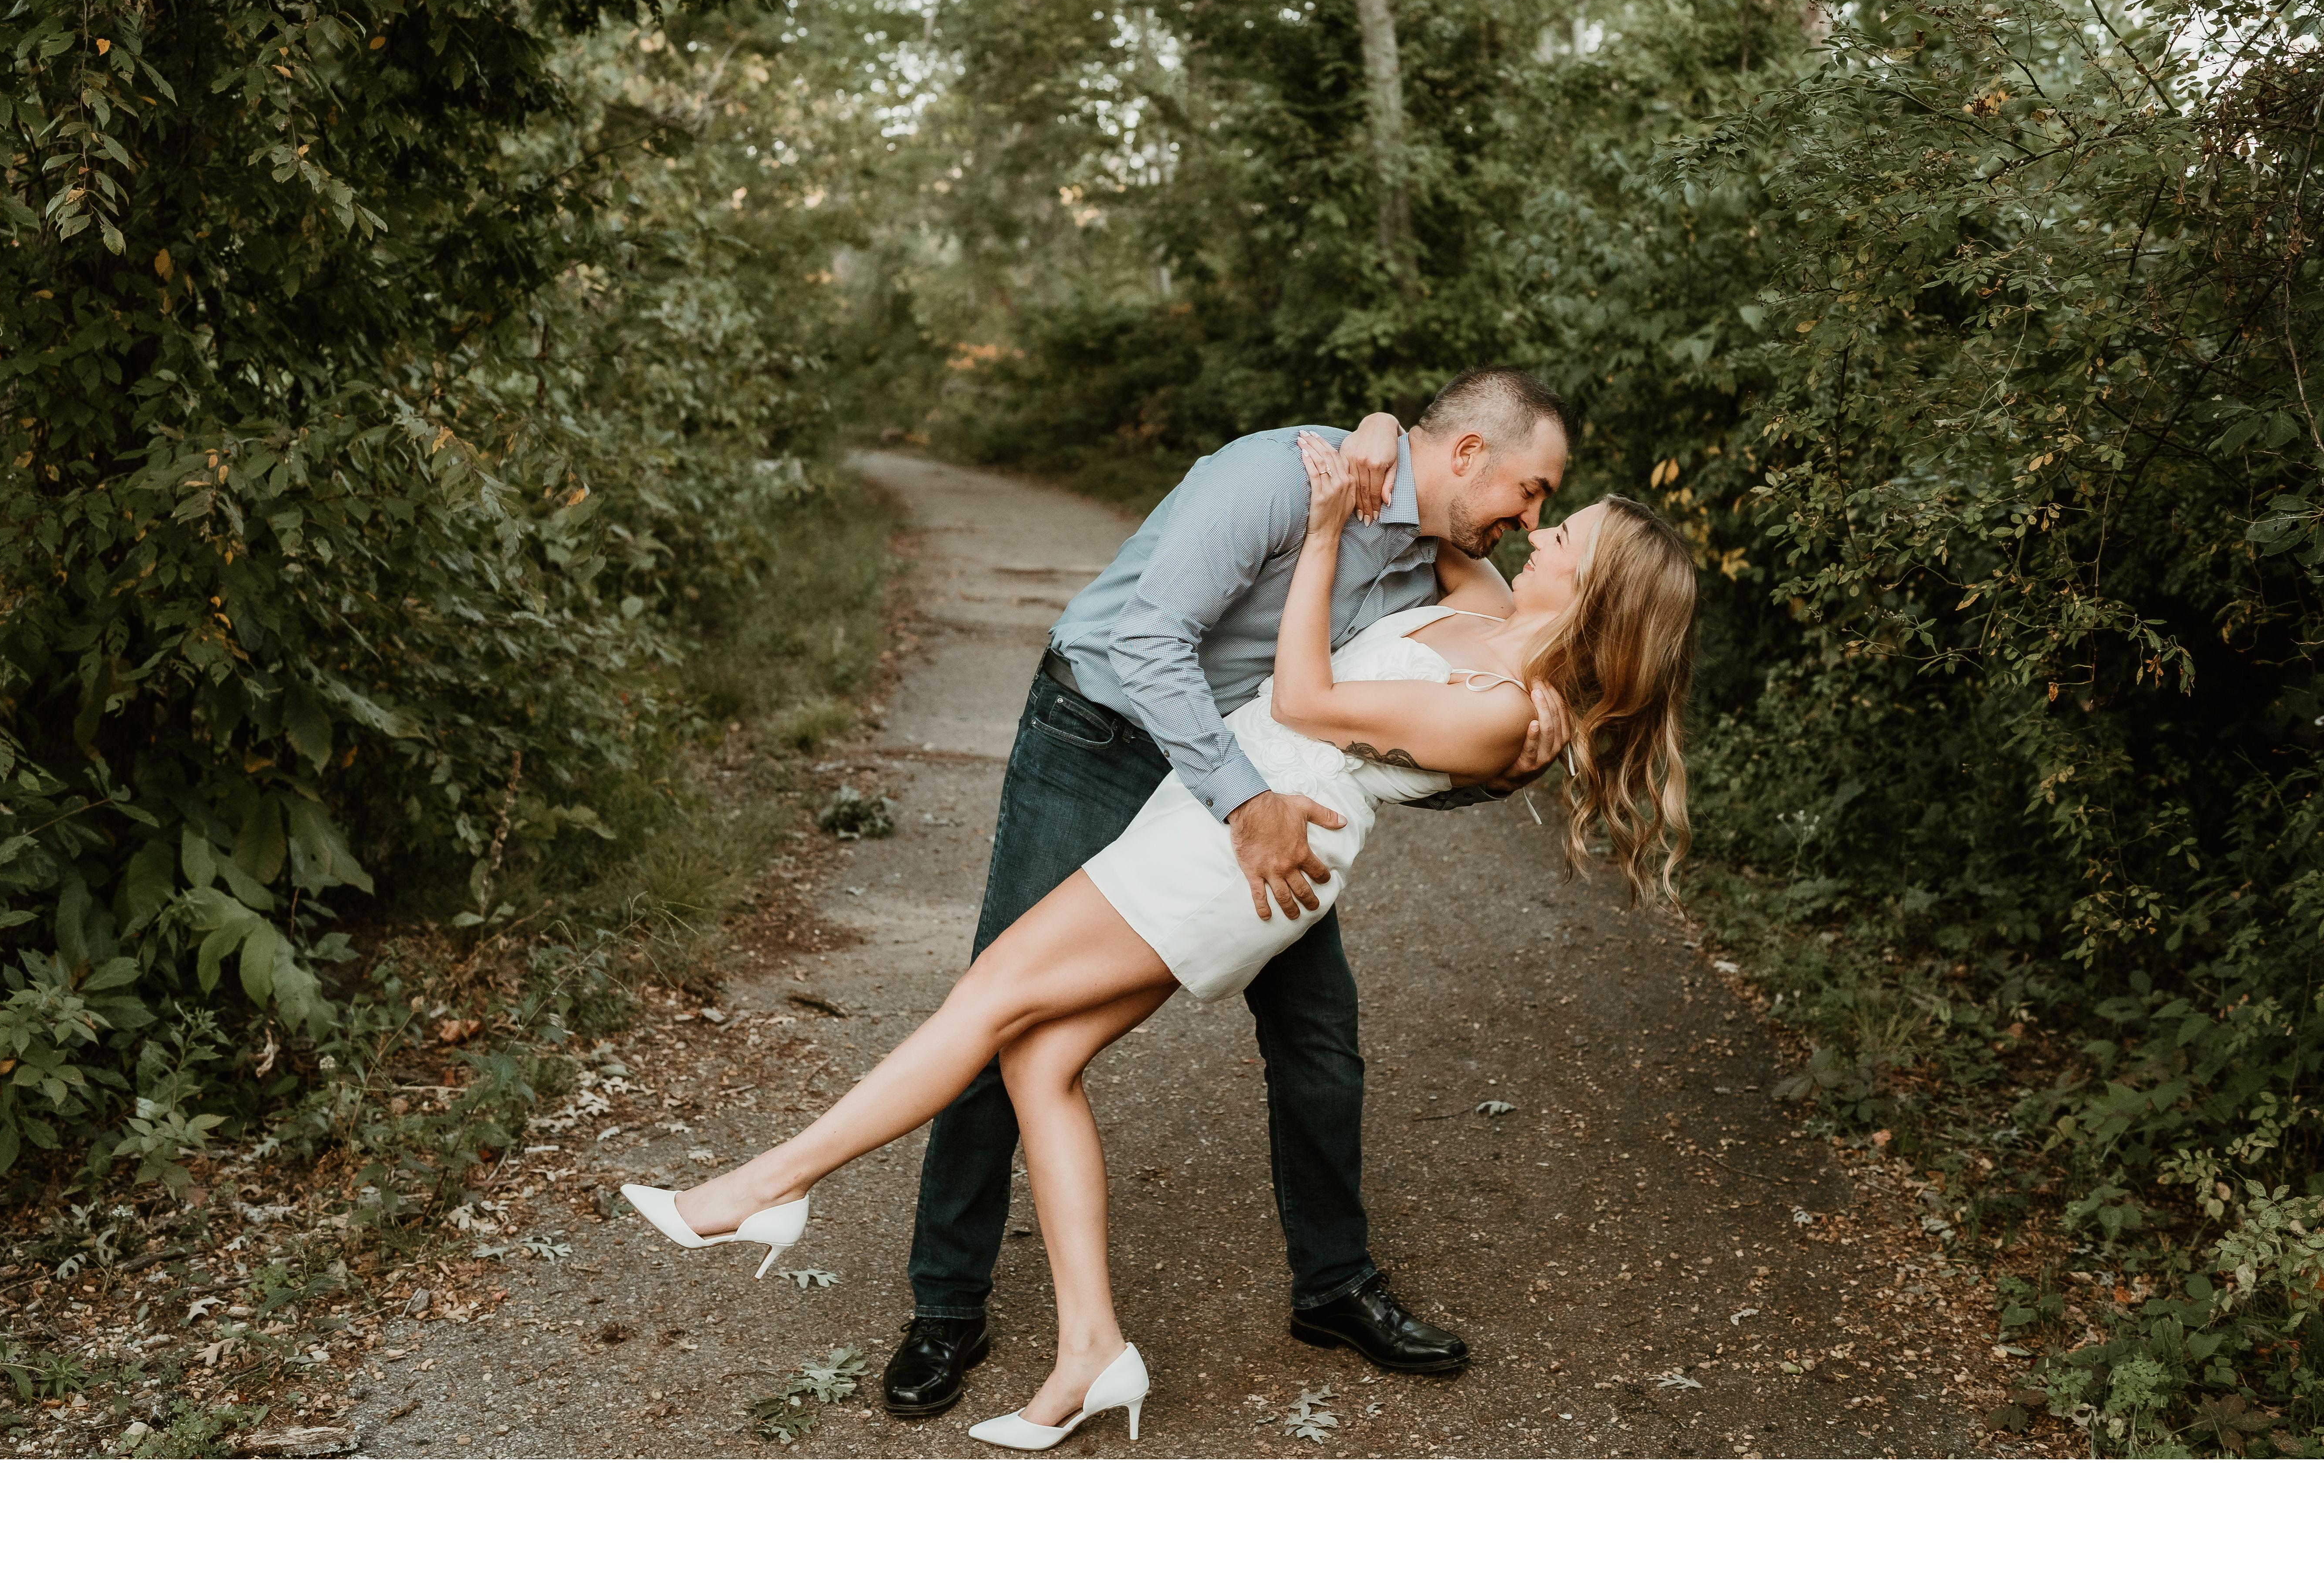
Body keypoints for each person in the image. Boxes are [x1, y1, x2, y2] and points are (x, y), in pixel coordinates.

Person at [621, 418, 1701, 1451]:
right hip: (1196, 797)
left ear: (1595, 588)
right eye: (1542, 503)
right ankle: (1088, 1350)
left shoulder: (1510, 705)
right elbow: (1433, 505)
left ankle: (766, 1189)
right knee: (1037, 1057)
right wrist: (1378, 421)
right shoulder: (1484, 600)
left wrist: (1328, 533)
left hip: (1254, 844)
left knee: (996, 997)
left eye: (1563, 532)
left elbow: (1310, 699)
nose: (1537, 529)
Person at [883, 365, 1573, 1417]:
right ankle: (946, 1304)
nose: (1531, 520)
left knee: (1318, 1030)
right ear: (1471, 453)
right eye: (1532, 491)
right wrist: (1245, 801)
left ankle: (1334, 1286)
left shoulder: (1437, 562)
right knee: (1002, 1004)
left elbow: (1390, 743)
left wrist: (1510, 770)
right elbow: (1145, 640)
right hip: (1102, 737)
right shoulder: (1281, 477)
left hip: (1244, 779)